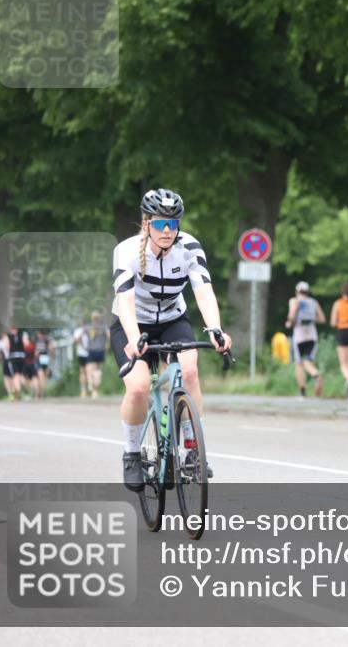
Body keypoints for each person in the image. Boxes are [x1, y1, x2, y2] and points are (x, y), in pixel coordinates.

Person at [111, 188, 232, 491]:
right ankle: (132, 454)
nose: (167, 231)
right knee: (138, 388)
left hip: (173, 319)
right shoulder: (126, 251)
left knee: (189, 371)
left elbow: (203, 292)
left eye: (173, 224)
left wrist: (215, 328)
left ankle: (192, 451)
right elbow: (124, 302)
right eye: (160, 224)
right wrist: (135, 338)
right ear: (146, 223)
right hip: (132, 323)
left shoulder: (189, 247)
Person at [285, 281, 326, 399]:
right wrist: (311, 319)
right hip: (312, 335)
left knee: (299, 364)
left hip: (299, 336)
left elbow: (292, 316)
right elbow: (322, 319)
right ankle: (315, 380)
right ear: (307, 291)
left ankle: (305, 389)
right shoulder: (313, 302)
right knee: (308, 361)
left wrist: (289, 323)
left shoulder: (294, 301)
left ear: (297, 291)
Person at [83, 313, 109, 398]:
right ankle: (95, 390)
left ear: (92, 319)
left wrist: (84, 347)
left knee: (89, 370)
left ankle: (91, 385)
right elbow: (110, 336)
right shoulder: (103, 327)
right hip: (101, 352)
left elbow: (78, 338)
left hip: (91, 351)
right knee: (98, 371)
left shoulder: (88, 327)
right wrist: (107, 345)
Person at [0, 333, 16, 399]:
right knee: (7, 377)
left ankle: (13, 392)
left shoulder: (10, 341)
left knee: (12, 376)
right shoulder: (0, 343)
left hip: (12, 359)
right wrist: (0, 356)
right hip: (6, 360)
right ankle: (10, 393)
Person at [33, 331, 53, 399]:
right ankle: (40, 392)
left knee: (44, 376)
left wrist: (51, 356)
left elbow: (50, 348)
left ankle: (43, 392)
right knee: (40, 375)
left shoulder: (46, 340)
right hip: (38, 359)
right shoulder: (35, 340)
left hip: (44, 358)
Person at [73, 324, 90, 397]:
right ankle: (83, 390)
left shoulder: (90, 330)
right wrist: (82, 332)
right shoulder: (78, 331)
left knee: (89, 371)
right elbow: (76, 341)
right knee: (82, 372)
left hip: (90, 353)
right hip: (81, 354)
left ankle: (92, 389)